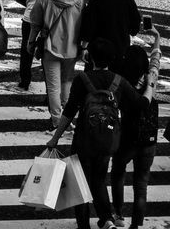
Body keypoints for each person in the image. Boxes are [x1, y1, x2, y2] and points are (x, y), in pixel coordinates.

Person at [45, 39, 143, 229]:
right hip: (108, 140)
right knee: (99, 179)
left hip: (84, 140)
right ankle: (106, 218)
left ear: (90, 57)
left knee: (80, 182)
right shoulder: (118, 81)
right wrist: (150, 85)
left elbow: (69, 111)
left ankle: (84, 224)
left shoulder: (83, 80)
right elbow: (139, 104)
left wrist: (55, 138)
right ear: (111, 59)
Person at [27, 0, 85, 127]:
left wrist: (31, 43)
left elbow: (35, 24)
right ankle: (67, 118)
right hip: (72, 48)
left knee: (53, 86)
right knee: (67, 82)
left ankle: (56, 120)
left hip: (50, 48)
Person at [111, 40, 160, 229]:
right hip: (148, 140)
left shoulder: (122, 83)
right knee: (141, 184)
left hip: (127, 138)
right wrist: (156, 40)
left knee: (118, 173)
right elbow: (155, 59)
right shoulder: (151, 78)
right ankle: (136, 224)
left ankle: (118, 214)